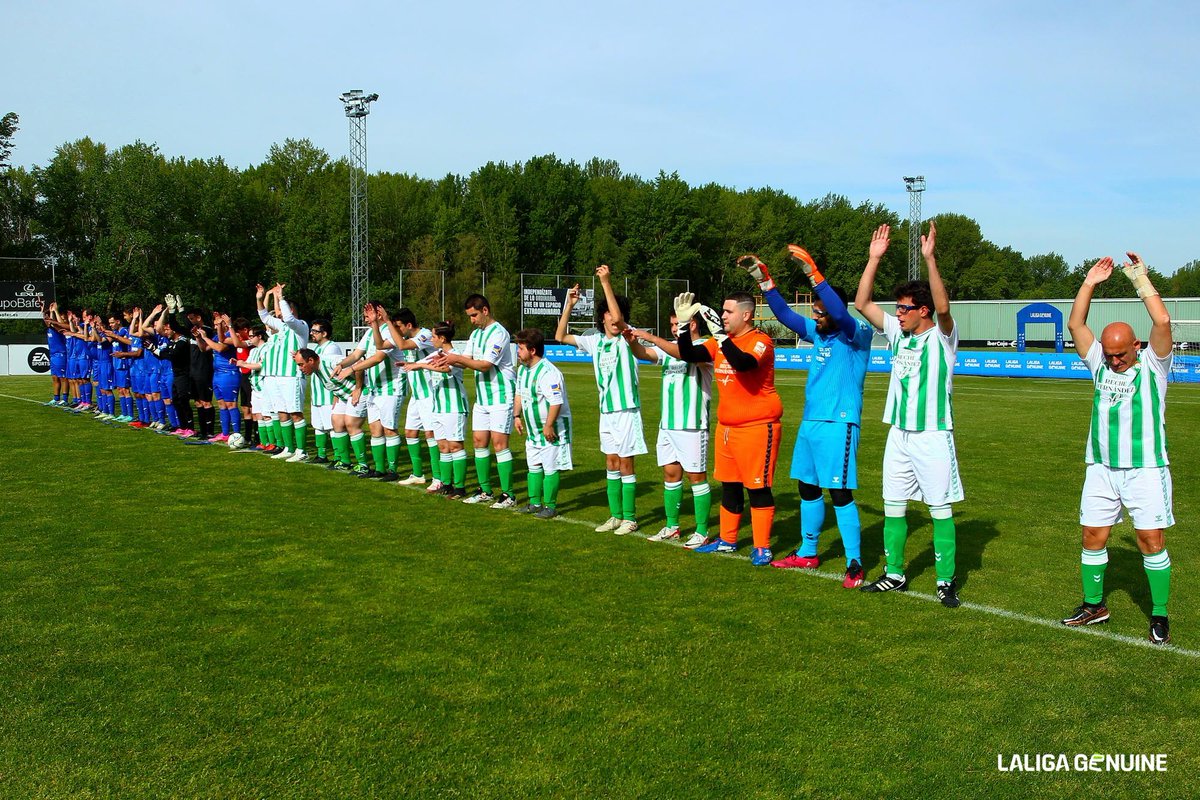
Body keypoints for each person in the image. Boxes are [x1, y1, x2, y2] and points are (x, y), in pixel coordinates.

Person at [742, 245, 873, 588]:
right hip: (811, 422)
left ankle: (854, 562)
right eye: (814, 312)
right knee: (807, 487)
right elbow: (785, 315)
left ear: (833, 309)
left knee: (839, 492)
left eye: (820, 311)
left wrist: (813, 274)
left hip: (839, 424)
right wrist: (765, 281)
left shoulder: (856, 333)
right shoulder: (818, 332)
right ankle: (809, 552)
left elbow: (840, 315)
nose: (815, 317)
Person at [1062, 254, 1175, 645]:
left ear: (1136, 345)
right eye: (1109, 355)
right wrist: (1090, 282)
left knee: (1150, 542)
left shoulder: (1153, 366)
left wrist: (1140, 280)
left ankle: (1159, 614)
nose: (1113, 361)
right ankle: (1095, 605)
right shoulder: (1100, 364)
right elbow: (1076, 323)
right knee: (1092, 534)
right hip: (1101, 467)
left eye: (1120, 354)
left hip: (1145, 468)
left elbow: (1162, 321)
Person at [854, 222, 964, 608]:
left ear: (922, 311)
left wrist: (930, 259)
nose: (897, 314)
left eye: (904, 308)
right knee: (893, 505)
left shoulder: (943, 337)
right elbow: (862, 304)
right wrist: (873, 260)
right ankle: (895, 574)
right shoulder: (899, 333)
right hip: (898, 434)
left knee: (939, 509)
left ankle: (945, 581)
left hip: (933, 434)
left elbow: (945, 308)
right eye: (897, 307)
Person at [676, 286, 784, 566]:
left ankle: (762, 547)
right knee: (730, 486)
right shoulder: (721, 342)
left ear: (746, 315)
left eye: (728, 311)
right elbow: (688, 354)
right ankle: (727, 540)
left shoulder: (760, 341)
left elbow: (745, 364)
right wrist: (684, 326)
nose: (722, 315)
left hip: (758, 426)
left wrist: (722, 337)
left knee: (757, 487)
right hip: (727, 427)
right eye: (722, 310)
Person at [556, 265, 646, 535]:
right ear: (601, 317)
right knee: (611, 463)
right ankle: (615, 516)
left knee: (627, 462)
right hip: (606, 412)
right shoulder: (595, 341)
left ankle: (630, 517)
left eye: (613, 311)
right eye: (606, 312)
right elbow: (560, 336)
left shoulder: (627, 338)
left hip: (627, 410)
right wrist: (568, 305)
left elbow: (619, 321)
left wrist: (606, 282)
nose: (611, 317)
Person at [621, 316, 714, 547]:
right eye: (672, 325)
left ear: (692, 324)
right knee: (671, 475)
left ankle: (702, 532)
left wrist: (651, 337)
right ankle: (672, 527)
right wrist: (632, 342)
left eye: (678, 325)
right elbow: (644, 354)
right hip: (667, 425)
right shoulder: (668, 350)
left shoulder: (705, 346)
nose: (674, 329)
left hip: (692, 424)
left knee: (696, 478)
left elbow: (683, 353)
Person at [439, 294, 518, 506]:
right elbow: (466, 361)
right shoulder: (476, 335)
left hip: (501, 396)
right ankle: (485, 491)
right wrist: (446, 360)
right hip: (482, 398)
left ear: (485, 310)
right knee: (478, 442)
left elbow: (485, 365)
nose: (472, 320)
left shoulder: (499, 333)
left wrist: (457, 359)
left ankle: (508, 494)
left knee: (500, 444)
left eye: (474, 315)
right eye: (469, 316)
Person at [512, 328, 573, 518]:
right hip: (533, 430)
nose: (517, 353)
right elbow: (519, 393)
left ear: (532, 350)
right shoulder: (523, 370)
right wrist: (516, 416)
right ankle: (534, 503)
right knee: (533, 467)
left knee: (550, 467)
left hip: (552, 429)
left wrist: (548, 425)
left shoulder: (548, 372)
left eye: (520, 348)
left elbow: (556, 402)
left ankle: (550, 506)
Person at [405, 321, 470, 498]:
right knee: (443, 446)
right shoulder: (436, 353)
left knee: (455, 446)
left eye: (434, 336)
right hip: (438, 407)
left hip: (454, 406)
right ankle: (447, 484)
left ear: (442, 338)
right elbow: (421, 361)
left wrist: (419, 366)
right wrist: (409, 363)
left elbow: (444, 368)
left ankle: (460, 487)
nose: (431, 339)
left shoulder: (455, 355)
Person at [257, 283, 310, 462]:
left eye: (281, 307)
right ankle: (289, 447)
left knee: (295, 412)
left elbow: (287, 318)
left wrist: (280, 297)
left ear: (292, 310)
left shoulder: (300, 326)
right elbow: (263, 316)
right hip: (276, 376)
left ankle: (302, 451)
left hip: (291, 376)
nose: (277, 311)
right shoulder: (280, 329)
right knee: (282, 413)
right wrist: (260, 297)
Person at [294, 348, 369, 472]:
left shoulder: (330, 361)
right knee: (336, 422)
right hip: (343, 396)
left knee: (351, 424)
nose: (300, 368)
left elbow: (359, 364)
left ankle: (363, 465)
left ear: (311, 360)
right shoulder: (316, 368)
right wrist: (336, 394)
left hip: (359, 392)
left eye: (301, 364)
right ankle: (345, 461)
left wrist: (358, 388)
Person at [306, 319, 343, 463]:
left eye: (315, 331)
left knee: (332, 427)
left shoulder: (331, 347)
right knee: (319, 425)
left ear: (325, 333)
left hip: (328, 394)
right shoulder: (316, 349)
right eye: (312, 330)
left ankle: (338, 456)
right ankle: (321, 454)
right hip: (317, 394)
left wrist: (335, 394)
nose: (312, 334)